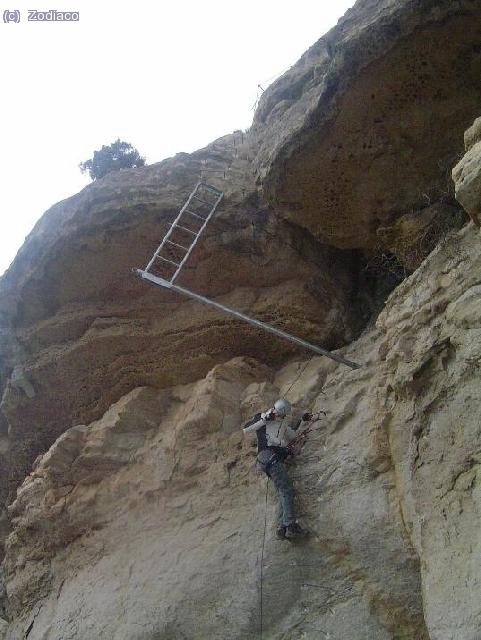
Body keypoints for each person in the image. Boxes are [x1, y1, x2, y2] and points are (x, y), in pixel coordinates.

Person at [243, 398, 311, 540]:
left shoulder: (283, 423)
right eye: (279, 413)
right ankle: (290, 525)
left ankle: (282, 528)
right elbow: (246, 429)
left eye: (282, 415)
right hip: (267, 456)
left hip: (274, 459)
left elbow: (294, 435)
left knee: (282, 491)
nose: (280, 416)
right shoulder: (262, 417)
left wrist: (303, 421)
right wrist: (266, 419)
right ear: (274, 409)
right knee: (287, 489)